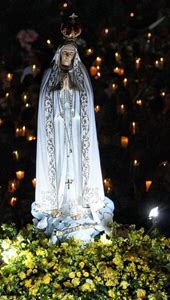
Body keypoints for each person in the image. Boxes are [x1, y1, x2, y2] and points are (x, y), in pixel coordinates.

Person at [31, 14, 113, 242]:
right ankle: (57, 205)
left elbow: (86, 100)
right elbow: (46, 100)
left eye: (71, 54)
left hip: (76, 132)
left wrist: (72, 90)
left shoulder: (81, 76)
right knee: (58, 164)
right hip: (57, 131)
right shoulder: (49, 75)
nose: (68, 56)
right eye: (65, 53)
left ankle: (81, 203)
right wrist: (60, 90)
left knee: (78, 164)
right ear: (59, 55)